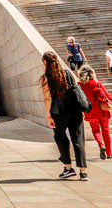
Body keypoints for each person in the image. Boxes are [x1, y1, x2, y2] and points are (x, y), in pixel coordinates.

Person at [41, 51, 87, 180]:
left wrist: (49, 116)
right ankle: (83, 172)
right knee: (78, 140)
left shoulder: (46, 77)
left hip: (58, 113)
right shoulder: (67, 73)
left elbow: (47, 98)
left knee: (61, 139)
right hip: (74, 111)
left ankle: (68, 168)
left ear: (45, 62)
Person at [78, 65, 112, 160]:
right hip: (102, 110)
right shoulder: (97, 83)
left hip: (90, 112)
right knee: (106, 131)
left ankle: (101, 145)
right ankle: (109, 153)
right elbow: (107, 95)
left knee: (96, 130)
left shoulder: (79, 85)